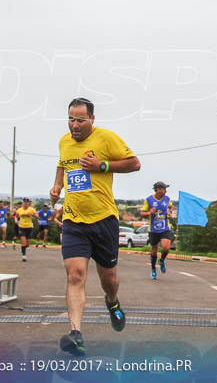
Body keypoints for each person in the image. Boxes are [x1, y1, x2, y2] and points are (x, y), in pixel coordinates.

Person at [49, 98, 141, 356]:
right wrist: (57, 186)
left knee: (108, 279)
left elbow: (134, 163)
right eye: (71, 119)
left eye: (80, 120)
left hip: (103, 220)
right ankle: (75, 333)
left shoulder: (107, 138)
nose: (74, 125)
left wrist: (102, 165)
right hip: (73, 220)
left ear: (92, 120)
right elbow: (62, 164)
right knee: (75, 275)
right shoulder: (64, 141)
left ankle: (112, 302)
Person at [142, 181, 175, 279]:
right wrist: (149, 213)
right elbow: (142, 213)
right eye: (164, 189)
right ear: (158, 190)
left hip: (165, 227)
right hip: (153, 229)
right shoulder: (149, 200)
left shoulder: (167, 199)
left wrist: (170, 212)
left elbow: (171, 206)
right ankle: (153, 269)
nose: (165, 191)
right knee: (154, 251)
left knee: (166, 247)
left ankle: (162, 260)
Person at [15, 197, 38, 262]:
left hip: (29, 227)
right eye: (24, 202)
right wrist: (16, 220)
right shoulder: (19, 210)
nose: (25, 204)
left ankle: (23, 249)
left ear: (28, 203)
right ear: (23, 203)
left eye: (27, 202)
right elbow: (16, 216)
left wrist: (32, 214)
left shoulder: (31, 209)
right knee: (23, 242)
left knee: (27, 244)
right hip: (22, 227)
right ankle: (24, 256)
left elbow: (37, 216)